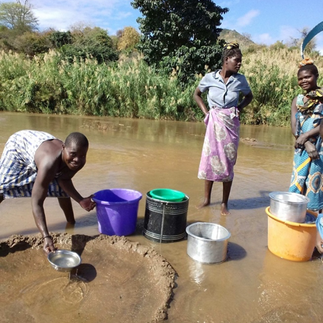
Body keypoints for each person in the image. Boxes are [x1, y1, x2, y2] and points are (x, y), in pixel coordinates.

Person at [0, 130, 96, 254]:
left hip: (43, 144)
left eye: (82, 155)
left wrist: (81, 200)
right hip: (19, 145)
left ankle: (71, 223)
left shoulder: (77, 161)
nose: (77, 159)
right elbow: (37, 203)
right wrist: (46, 237)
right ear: (63, 148)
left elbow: (64, 179)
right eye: (73, 154)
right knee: (2, 187)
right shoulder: (49, 164)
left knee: (60, 189)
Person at [193, 42, 253, 215]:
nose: (240, 63)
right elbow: (197, 94)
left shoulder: (240, 80)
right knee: (211, 159)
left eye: (241, 61)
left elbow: (249, 96)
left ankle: (224, 203)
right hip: (214, 122)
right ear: (226, 60)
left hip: (230, 124)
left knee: (228, 162)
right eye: (237, 60)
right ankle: (207, 199)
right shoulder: (210, 78)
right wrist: (206, 112)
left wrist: (239, 108)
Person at [288, 58, 323, 253]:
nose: (304, 81)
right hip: (302, 149)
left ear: (316, 76)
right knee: (298, 187)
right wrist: (305, 141)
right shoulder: (298, 100)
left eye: (308, 76)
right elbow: (294, 127)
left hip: (320, 149)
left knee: (317, 189)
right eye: (300, 78)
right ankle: (298, 234)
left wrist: (309, 136)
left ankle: (318, 238)